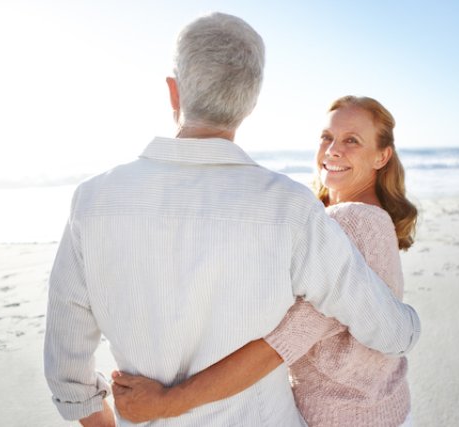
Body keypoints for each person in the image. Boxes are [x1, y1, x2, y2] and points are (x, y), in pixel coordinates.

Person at [44, 10, 420, 427]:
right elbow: (392, 334)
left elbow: (67, 371)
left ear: (174, 92)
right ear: (250, 102)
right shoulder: (291, 209)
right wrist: (408, 324)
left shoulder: (93, 201)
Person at [112, 96, 418, 426]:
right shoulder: (368, 218)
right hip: (389, 410)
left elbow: (281, 342)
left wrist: (167, 403)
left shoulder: (349, 223)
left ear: (382, 156)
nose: (332, 150)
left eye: (351, 141)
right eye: (327, 137)